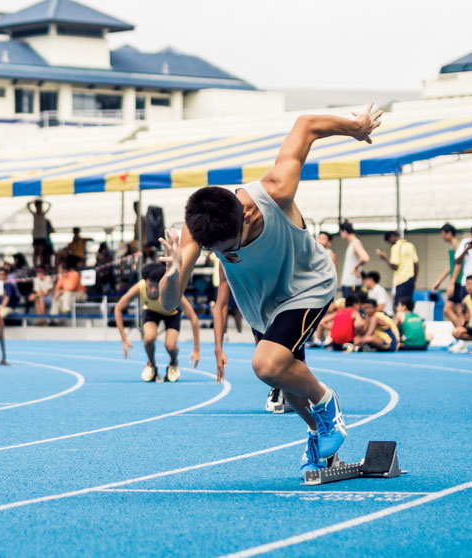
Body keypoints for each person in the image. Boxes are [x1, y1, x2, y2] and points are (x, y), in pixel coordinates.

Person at [158, 103, 382, 478]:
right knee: (287, 376)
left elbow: (306, 124)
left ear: (245, 215)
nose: (226, 256)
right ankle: (318, 433)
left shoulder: (275, 190)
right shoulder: (199, 230)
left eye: (230, 248)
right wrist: (174, 272)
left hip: (309, 284)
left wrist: (355, 127)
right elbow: (168, 304)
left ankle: (328, 403)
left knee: (267, 364)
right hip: (263, 304)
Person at [114, 262, 201, 383]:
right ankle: (151, 364)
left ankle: (173, 362)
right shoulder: (139, 288)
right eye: (150, 285)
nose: (154, 290)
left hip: (172, 313)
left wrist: (196, 349)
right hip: (151, 312)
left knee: (170, 346)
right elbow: (118, 308)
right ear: (145, 282)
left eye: (157, 285)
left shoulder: (172, 289)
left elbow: (194, 318)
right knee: (148, 338)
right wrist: (124, 339)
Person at [431, 223, 466, 326]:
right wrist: (438, 282)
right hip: (457, 281)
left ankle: (462, 333)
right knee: (457, 310)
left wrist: (452, 283)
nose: (442, 236)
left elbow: (458, 265)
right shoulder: (453, 247)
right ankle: (461, 335)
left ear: (449, 233)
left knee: (449, 309)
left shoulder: (457, 246)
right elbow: (451, 266)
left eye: (442, 234)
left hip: (459, 282)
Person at [376, 231, 418, 303]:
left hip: (401, 280)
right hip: (410, 280)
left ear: (392, 237)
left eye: (389, 241)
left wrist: (385, 258)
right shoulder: (410, 245)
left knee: (398, 306)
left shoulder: (395, 247)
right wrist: (414, 281)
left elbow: (395, 266)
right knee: (407, 306)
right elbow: (416, 264)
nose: (390, 243)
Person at [338, 221, 369, 298]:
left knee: (351, 306)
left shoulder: (355, 243)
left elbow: (365, 258)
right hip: (348, 281)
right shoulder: (352, 244)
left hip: (352, 282)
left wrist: (355, 267)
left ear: (344, 231)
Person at [28, 199, 51, 269]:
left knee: (40, 252)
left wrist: (43, 201)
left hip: (42, 236)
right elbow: (28, 205)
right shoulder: (34, 214)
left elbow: (49, 205)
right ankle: (35, 266)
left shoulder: (43, 214)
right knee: (35, 251)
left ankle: (40, 265)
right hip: (36, 236)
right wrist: (33, 201)